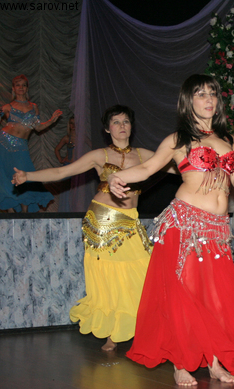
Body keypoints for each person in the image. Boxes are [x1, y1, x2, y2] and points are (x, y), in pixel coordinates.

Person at [108, 74, 234, 385]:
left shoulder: (228, 140)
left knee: (216, 298)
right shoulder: (178, 140)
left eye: (212, 93)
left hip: (216, 229)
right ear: (188, 101)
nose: (209, 99)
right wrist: (115, 177)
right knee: (183, 296)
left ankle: (214, 361)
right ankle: (181, 362)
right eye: (200, 94)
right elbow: (146, 169)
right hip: (184, 224)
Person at [13, 105, 157, 351]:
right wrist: (28, 176)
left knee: (144, 270)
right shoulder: (99, 155)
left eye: (125, 121)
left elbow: (177, 166)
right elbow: (62, 171)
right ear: (107, 129)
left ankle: (141, 326)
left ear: (131, 126)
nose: (122, 126)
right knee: (109, 277)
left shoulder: (145, 155)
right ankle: (113, 332)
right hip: (103, 222)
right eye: (116, 122)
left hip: (130, 220)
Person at [0, 74, 61, 212]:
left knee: (25, 174)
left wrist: (52, 120)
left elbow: (38, 127)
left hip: (21, 146)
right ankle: (10, 211)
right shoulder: (8, 106)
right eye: (18, 85)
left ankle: (24, 212)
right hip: (3, 143)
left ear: (27, 88)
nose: (21, 87)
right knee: (5, 176)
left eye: (23, 85)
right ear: (13, 89)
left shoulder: (33, 107)